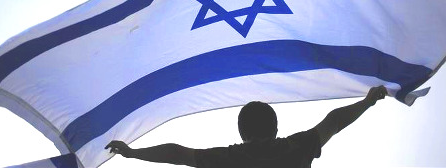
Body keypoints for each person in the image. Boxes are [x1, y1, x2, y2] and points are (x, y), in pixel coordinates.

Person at [106, 85, 388, 167]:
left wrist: (133, 152)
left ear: (241, 132)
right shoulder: (296, 147)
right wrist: (367, 101)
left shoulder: (228, 158)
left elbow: (176, 153)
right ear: (276, 128)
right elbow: (335, 121)